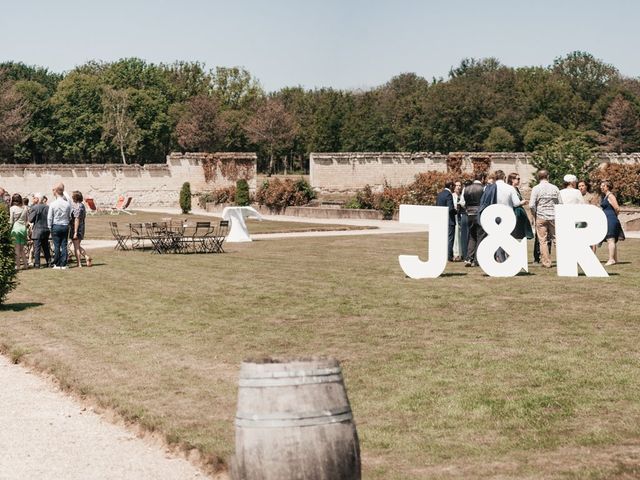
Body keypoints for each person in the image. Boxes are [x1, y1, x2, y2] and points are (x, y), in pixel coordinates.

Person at [529, 170, 562, 268]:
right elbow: (560, 203)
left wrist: (534, 214)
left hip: (541, 216)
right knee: (557, 239)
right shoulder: (554, 188)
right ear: (548, 176)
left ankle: (546, 262)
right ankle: (564, 260)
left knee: (542, 241)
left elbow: (531, 205)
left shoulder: (536, 188)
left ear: (538, 177)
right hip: (553, 216)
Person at [599, 179, 625, 266]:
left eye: (603, 186)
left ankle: (611, 259)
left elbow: (617, 208)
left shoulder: (610, 196)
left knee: (611, 239)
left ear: (608, 187)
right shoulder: (605, 196)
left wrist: (613, 216)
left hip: (611, 219)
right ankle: (615, 259)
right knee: (612, 240)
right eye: (601, 186)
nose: (601, 187)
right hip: (608, 218)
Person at [463, 172, 485, 266]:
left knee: (472, 236)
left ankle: (469, 258)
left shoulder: (466, 188)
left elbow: (464, 202)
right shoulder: (483, 188)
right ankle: (477, 259)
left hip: (469, 213)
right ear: (482, 178)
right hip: (479, 213)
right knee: (480, 236)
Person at [47, 184, 72, 269]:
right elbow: (69, 216)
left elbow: (50, 217)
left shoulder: (53, 204)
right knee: (64, 245)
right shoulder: (67, 204)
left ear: (56, 192)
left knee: (56, 245)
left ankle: (57, 263)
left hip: (56, 225)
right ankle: (63, 263)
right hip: (65, 225)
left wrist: (49, 227)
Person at [507, 172, 533, 241]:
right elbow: (515, 203)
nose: (519, 180)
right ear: (512, 179)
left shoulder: (516, 189)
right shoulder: (510, 188)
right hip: (515, 213)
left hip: (520, 212)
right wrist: (522, 202)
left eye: (519, 179)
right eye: (517, 179)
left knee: (520, 235)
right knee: (516, 233)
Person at [28, 192, 51, 268]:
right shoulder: (47, 207)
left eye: (34, 198)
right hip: (46, 229)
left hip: (38, 229)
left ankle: (37, 264)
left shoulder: (35, 207)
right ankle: (49, 262)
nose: (33, 199)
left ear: (37, 199)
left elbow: (30, 219)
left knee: (37, 248)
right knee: (46, 247)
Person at [70, 191, 92, 268]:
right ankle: (86, 257)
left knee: (76, 247)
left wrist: (75, 232)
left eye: (73, 196)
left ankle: (79, 263)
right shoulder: (82, 205)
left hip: (77, 228)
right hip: (82, 227)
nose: (72, 197)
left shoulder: (77, 206)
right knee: (78, 245)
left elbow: (77, 219)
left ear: (75, 197)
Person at [436, 181, 456, 262]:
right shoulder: (448, 194)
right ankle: (449, 256)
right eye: (453, 186)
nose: (454, 187)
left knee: (442, 239)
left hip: (441, 220)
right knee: (450, 238)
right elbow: (450, 208)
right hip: (449, 220)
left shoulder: (440, 194)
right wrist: (456, 211)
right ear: (451, 186)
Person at [9, 193, 29, 270]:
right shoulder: (25, 208)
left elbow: (11, 221)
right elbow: (27, 220)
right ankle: (26, 265)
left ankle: (17, 266)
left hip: (16, 228)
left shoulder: (12, 208)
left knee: (16, 249)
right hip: (23, 229)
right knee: (21, 249)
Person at [452, 180, 464, 261]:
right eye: (457, 185)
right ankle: (455, 253)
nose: (459, 187)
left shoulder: (462, 196)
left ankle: (461, 253)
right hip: (455, 217)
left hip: (461, 217)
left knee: (461, 236)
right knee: (456, 236)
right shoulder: (452, 196)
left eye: (460, 185)